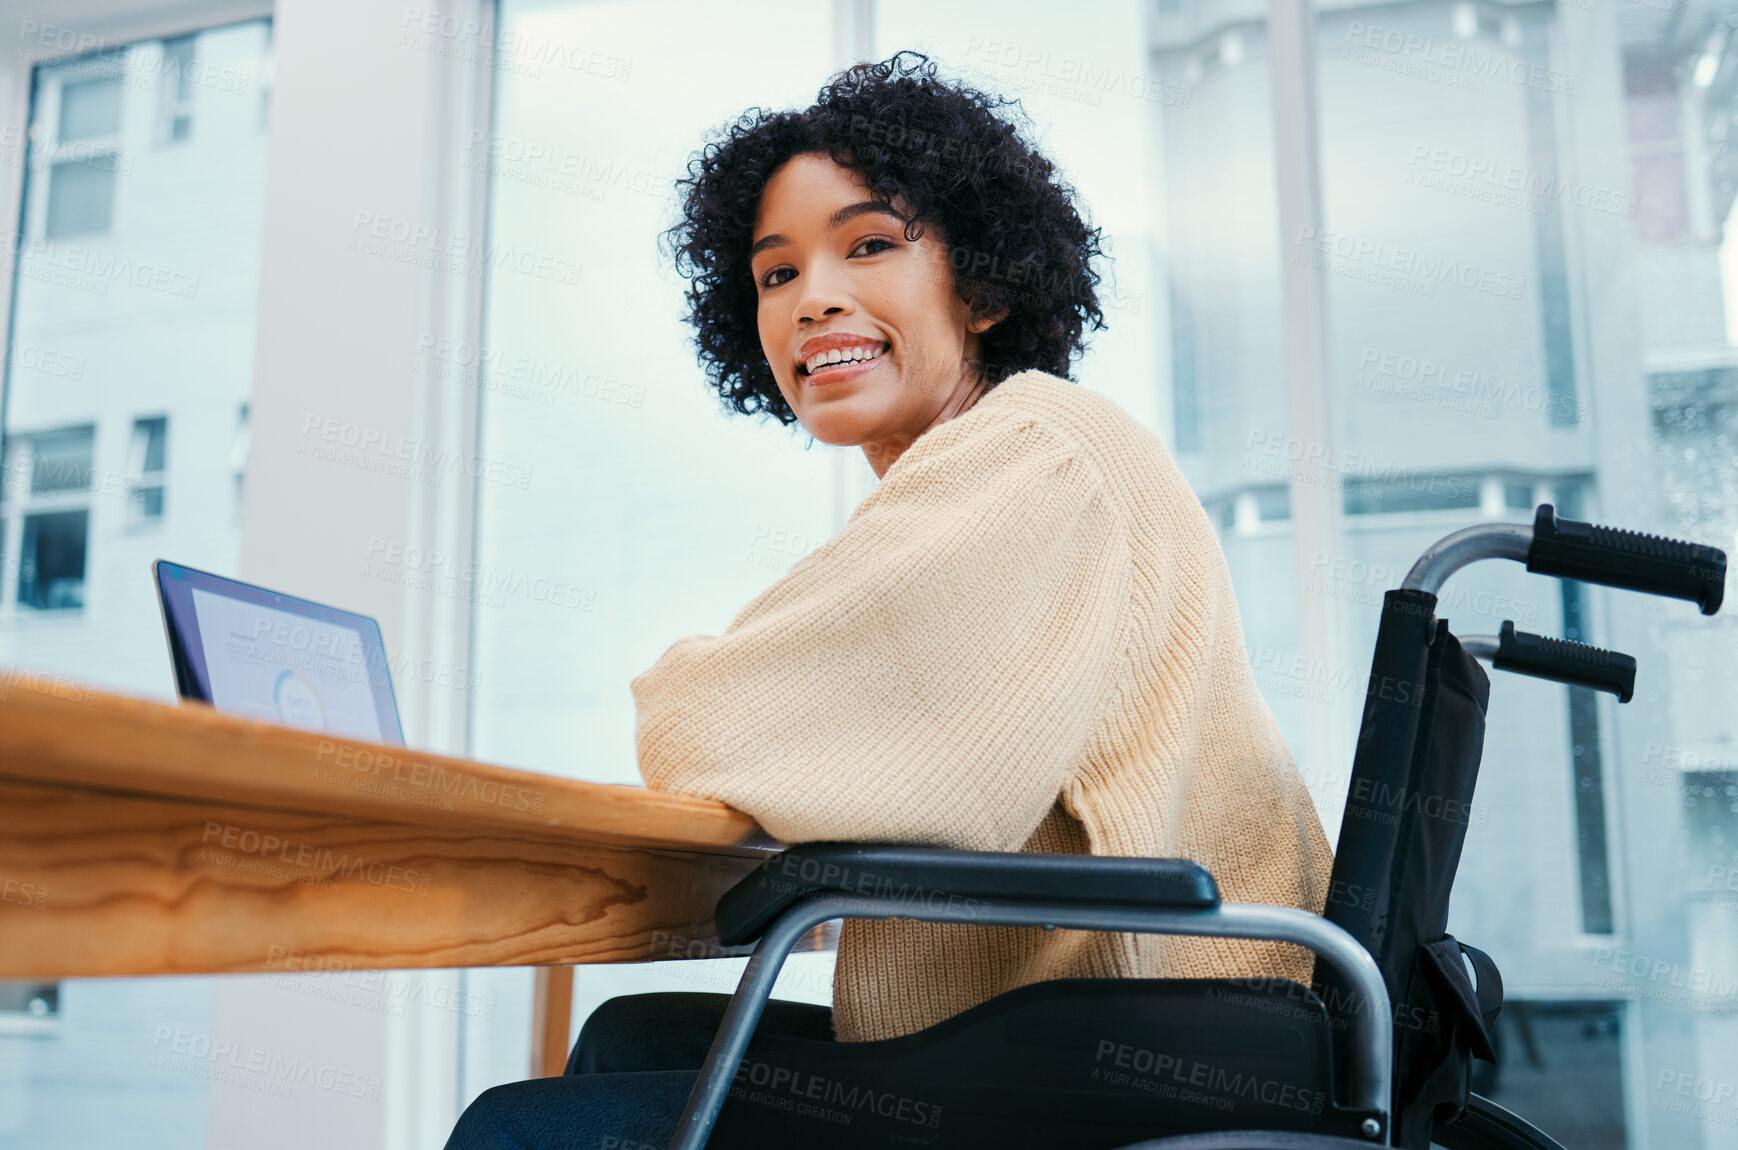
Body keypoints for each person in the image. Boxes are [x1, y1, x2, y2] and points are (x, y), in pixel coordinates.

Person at [446, 50, 1333, 1149]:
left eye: (867, 245)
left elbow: (724, 726)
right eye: (775, 275)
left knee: (520, 1127)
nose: (813, 296)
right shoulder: (1001, 458)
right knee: (631, 1037)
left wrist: (687, 686)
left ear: (989, 284)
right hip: (1174, 1022)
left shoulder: (1034, 456)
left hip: (1144, 1042)